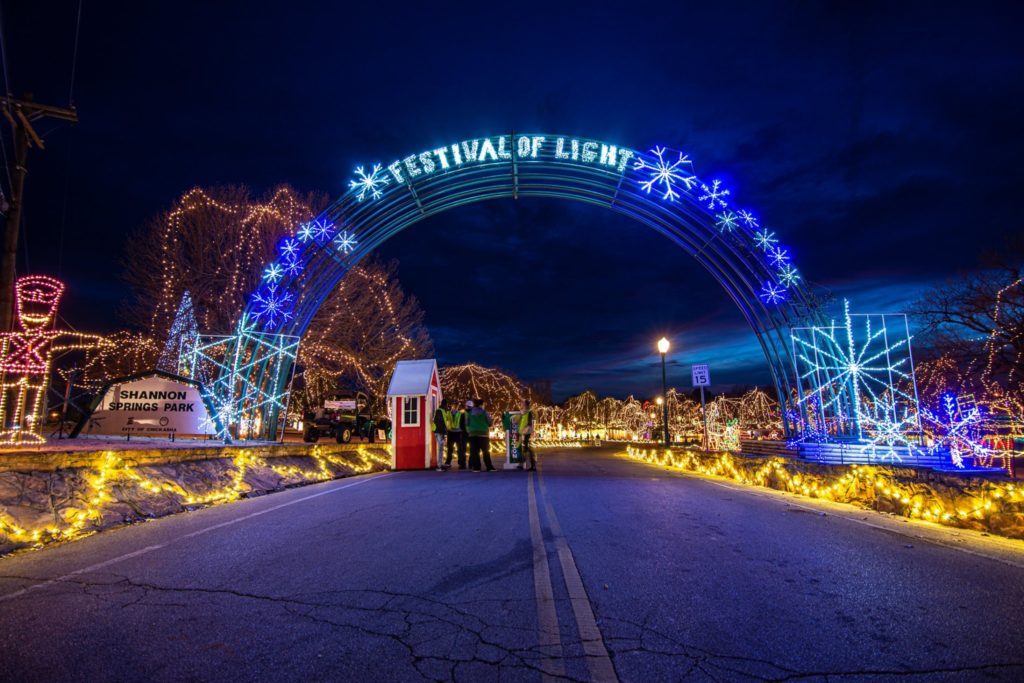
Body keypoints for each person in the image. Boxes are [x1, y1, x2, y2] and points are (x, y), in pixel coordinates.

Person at [466, 398, 494, 472]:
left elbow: (467, 423)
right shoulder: (484, 412)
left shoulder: (470, 413)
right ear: (481, 405)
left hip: (473, 434)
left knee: (474, 451)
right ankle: (489, 466)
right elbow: (490, 422)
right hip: (483, 434)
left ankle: (476, 467)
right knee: (485, 451)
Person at [445, 400, 465, 469]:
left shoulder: (460, 414)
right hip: (451, 432)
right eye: (455, 405)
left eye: (457, 405)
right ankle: (448, 462)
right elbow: (446, 421)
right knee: (450, 449)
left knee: (459, 449)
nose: (456, 406)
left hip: (457, 432)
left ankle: (461, 463)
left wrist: (462, 430)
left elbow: (462, 423)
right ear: (452, 405)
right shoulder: (448, 413)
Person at [518, 399, 536, 471]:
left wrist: (525, 430)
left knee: (527, 448)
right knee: (525, 448)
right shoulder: (524, 413)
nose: (521, 404)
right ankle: (524, 464)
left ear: (525, 405)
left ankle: (531, 465)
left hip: (527, 433)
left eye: (522, 403)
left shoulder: (529, 412)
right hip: (524, 432)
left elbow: (529, 423)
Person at [432, 399, 449, 471]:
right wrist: (444, 432)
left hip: (439, 431)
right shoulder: (440, 411)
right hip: (439, 432)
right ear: (444, 404)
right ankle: (439, 465)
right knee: (440, 448)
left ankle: (441, 463)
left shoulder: (441, 411)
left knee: (441, 448)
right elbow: (441, 423)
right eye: (447, 405)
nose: (447, 406)